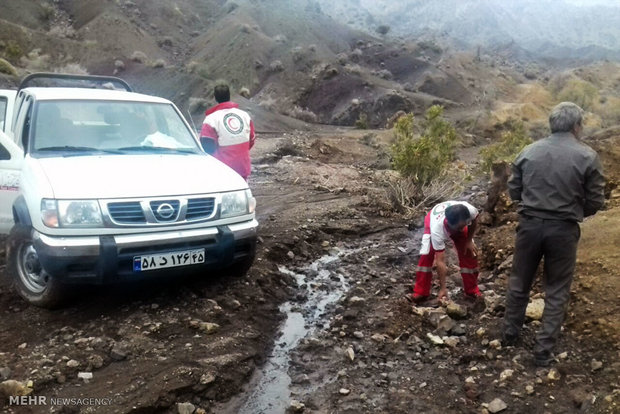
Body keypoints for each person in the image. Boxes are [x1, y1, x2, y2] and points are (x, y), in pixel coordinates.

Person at [502, 102, 605, 367]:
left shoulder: (528, 151)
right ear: (576, 126)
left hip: (529, 226)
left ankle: (509, 335)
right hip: (563, 230)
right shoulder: (587, 156)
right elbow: (596, 200)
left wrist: (529, 206)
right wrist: (573, 211)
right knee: (557, 290)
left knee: (519, 282)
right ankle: (543, 353)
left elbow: (514, 189)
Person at [411, 200, 482, 303]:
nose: (461, 230)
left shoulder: (470, 211)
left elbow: (474, 220)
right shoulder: (437, 229)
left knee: (469, 253)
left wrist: (469, 240)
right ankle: (420, 292)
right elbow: (440, 261)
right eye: (459, 227)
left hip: (456, 221)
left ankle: (471, 291)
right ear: (449, 224)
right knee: (427, 255)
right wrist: (443, 288)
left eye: (464, 225)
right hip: (434, 220)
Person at [200, 81, 255, 180]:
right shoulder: (244, 115)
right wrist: (239, 152)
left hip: (222, 171)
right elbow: (251, 140)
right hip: (243, 167)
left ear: (215, 98)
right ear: (229, 96)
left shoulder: (211, 119)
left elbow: (207, 147)